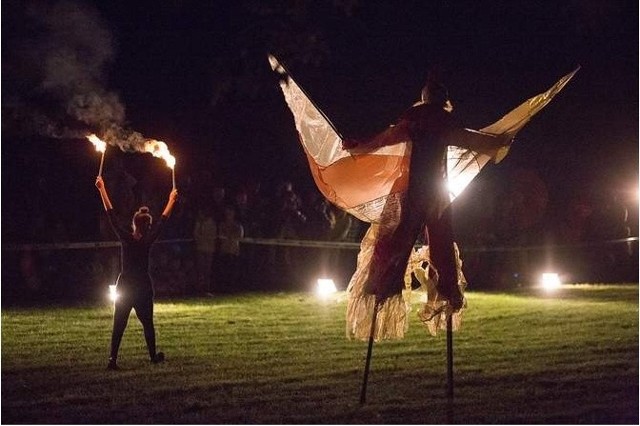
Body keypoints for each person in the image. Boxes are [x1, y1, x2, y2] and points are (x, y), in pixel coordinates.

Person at [343, 79, 513, 310]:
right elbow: (470, 139)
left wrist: (358, 146)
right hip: (434, 193)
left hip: (413, 191)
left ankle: (381, 285)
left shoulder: (412, 123)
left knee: (397, 240)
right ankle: (446, 291)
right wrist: (498, 141)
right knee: (439, 240)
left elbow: (382, 139)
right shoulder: (441, 123)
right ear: (443, 102)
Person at [95, 175, 178, 370]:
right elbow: (163, 221)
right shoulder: (147, 240)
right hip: (142, 286)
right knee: (147, 323)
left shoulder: (126, 238)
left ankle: (112, 360)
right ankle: (152, 356)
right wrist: (171, 200)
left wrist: (102, 189)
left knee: (119, 323)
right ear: (147, 226)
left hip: (126, 285)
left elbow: (111, 215)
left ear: (134, 224)